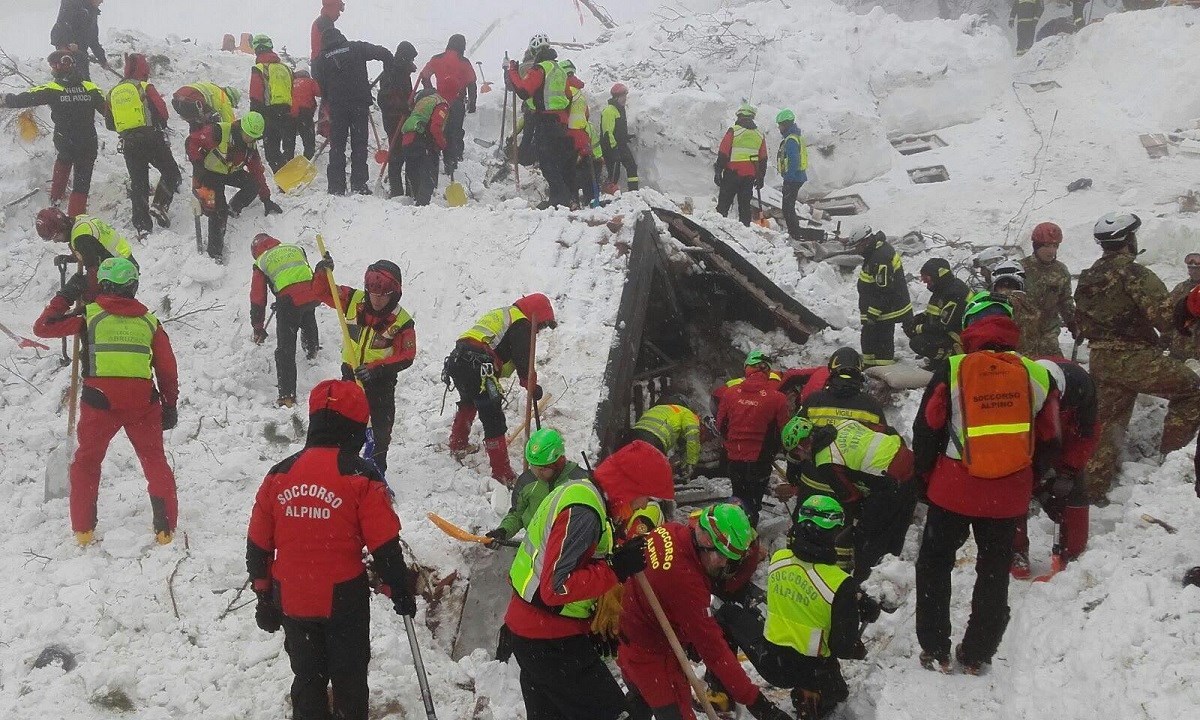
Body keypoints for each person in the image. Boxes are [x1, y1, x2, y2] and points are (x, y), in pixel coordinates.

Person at [246, 379, 417, 720]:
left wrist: (264, 596)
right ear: (355, 426)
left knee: (308, 678)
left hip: (291, 596)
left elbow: (257, 543)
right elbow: (384, 545)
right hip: (343, 599)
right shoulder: (361, 476)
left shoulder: (279, 474)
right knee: (349, 678)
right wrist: (398, 586)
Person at [912, 299, 1060, 673]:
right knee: (994, 570)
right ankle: (977, 653)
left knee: (934, 564)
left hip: (952, 488)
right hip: (1007, 496)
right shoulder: (1038, 374)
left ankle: (935, 648)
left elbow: (927, 427)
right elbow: (1051, 437)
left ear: (968, 330)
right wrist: (1030, 479)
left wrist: (924, 477)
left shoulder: (954, 368)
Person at [505, 437, 671, 720]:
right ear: (629, 485)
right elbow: (556, 587)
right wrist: (615, 569)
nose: (644, 504)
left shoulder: (580, 494)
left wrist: (591, 620)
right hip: (549, 642)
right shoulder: (583, 512)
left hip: (536, 634)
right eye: (645, 495)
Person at [33, 257, 179, 546]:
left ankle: (84, 531)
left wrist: (66, 294)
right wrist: (170, 404)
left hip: (99, 401)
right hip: (143, 403)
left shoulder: (89, 315)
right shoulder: (150, 321)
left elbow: (43, 327)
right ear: (134, 287)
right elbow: (167, 367)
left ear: (103, 285)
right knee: (154, 461)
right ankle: (165, 530)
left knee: (87, 463)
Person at [619, 503, 792, 720]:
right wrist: (756, 702)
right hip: (653, 658)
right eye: (722, 556)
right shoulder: (686, 583)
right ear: (705, 542)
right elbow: (714, 651)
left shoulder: (671, 531)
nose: (723, 564)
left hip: (633, 638)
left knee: (639, 701)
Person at [1075, 212, 1200, 505]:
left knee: (1106, 424)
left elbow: (1080, 320)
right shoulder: (1135, 274)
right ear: (1129, 240)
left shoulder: (1088, 278)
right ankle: (1171, 463)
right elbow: (1166, 318)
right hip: (1134, 357)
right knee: (1193, 390)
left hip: (1101, 360)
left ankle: (1091, 492)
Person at [715, 495, 878, 720]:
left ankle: (719, 695)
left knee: (728, 614)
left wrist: (854, 598)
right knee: (834, 691)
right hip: (815, 671)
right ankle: (813, 694)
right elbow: (842, 647)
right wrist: (855, 606)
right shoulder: (841, 585)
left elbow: (808, 582)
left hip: (772, 661)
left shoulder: (780, 560)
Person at [780, 414, 915, 582]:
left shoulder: (825, 460)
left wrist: (858, 518)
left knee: (867, 537)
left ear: (801, 446)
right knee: (897, 527)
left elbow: (851, 497)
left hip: (891, 482)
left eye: (796, 453)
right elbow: (887, 430)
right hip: (910, 466)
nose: (800, 459)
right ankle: (893, 571)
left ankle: (864, 583)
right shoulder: (843, 423)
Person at [311, 255, 415, 473]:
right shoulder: (352, 300)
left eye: (383, 295)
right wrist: (322, 272)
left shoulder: (402, 321)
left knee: (380, 430)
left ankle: (376, 472)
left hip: (380, 383)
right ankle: (345, 468)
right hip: (350, 375)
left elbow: (407, 355)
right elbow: (322, 292)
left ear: (394, 294)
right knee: (345, 423)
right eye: (373, 294)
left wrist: (376, 369)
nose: (376, 300)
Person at [445, 293, 556, 483]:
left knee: (468, 403)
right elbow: (524, 363)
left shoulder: (505, 314)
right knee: (493, 418)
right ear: (536, 315)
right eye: (541, 326)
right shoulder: (521, 325)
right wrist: (532, 386)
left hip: (459, 359)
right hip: (479, 366)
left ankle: (458, 443)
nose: (538, 332)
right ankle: (502, 473)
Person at [1011, 358, 1098, 577]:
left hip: (1068, 435)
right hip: (1027, 440)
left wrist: (1068, 471)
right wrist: (1039, 485)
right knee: (1015, 488)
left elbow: (1088, 433)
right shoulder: (1018, 388)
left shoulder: (1081, 385)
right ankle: (1015, 549)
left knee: (1075, 490)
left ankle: (1072, 554)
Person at [0, 51, 104, 216]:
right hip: (88, 142)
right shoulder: (91, 89)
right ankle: (75, 220)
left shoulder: (53, 89)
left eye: (52, 66)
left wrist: (4, 99)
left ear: (57, 67)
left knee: (63, 161)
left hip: (66, 141)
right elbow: (109, 111)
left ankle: (55, 201)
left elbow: (24, 99)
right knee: (81, 185)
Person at [185, 111, 283, 261]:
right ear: (241, 127)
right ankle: (214, 253)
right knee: (217, 212)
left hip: (229, 172)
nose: (250, 139)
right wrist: (198, 164)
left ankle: (234, 208)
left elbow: (257, 172)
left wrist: (266, 199)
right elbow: (192, 141)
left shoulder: (250, 148)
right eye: (248, 135)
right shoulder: (219, 132)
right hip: (209, 173)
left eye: (254, 137)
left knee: (253, 183)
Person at [104, 53, 180, 236]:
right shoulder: (145, 86)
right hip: (151, 139)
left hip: (129, 144)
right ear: (144, 69)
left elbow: (109, 124)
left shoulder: (112, 93)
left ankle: (142, 227)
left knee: (139, 184)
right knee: (171, 173)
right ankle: (160, 205)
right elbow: (163, 113)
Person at [313, 27, 393, 195]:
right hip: (359, 105)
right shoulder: (356, 48)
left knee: (337, 146)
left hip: (337, 108)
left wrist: (329, 96)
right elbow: (385, 53)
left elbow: (319, 84)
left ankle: (336, 187)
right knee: (359, 145)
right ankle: (359, 185)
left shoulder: (321, 59)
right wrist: (389, 72)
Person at [716, 352, 791, 525]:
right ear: (766, 371)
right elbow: (784, 431)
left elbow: (721, 425)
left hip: (735, 457)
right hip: (761, 460)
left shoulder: (730, 393)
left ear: (748, 369)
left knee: (738, 499)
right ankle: (749, 533)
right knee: (754, 502)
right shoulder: (778, 398)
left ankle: (733, 533)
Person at [250, 234, 321, 408]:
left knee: (285, 350)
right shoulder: (295, 248)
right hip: (313, 292)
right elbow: (298, 276)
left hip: (289, 302)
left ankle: (287, 396)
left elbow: (258, 297)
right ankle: (311, 350)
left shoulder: (262, 261)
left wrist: (258, 327)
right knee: (307, 316)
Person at [486, 428, 587, 545]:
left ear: (559, 462)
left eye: (543, 469)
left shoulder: (580, 482)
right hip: (535, 547)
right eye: (534, 468)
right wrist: (503, 531)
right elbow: (517, 514)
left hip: (569, 547)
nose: (538, 474)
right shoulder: (527, 482)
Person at [506, 35, 574, 208]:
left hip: (546, 121)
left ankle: (561, 199)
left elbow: (523, 91)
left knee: (546, 162)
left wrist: (512, 70)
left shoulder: (540, 69)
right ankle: (560, 200)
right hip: (561, 123)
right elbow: (568, 96)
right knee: (556, 162)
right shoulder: (558, 69)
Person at [36, 208, 137, 302]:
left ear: (63, 227)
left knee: (104, 305)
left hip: (122, 274)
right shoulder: (80, 221)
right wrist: (70, 258)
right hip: (123, 263)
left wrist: (89, 301)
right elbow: (93, 250)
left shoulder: (81, 238)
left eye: (55, 236)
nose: (55, 241)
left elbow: (93, 271)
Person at [850, 227, 912, 367]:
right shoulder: (874, 252)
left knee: (881, 341)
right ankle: (871, 366)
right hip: (880, 306)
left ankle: (884, 369)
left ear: (865, 241)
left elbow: (884, 290)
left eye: (857, 246)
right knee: (869, 339)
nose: (856, 250)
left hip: (886, 309)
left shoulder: (880, 258)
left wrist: (872, 313)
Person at [417, 34, 477, 174]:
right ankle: (453, 160)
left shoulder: (437, 59)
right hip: (456, 102)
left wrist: (430, 92)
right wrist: (472, 104)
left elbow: (424, 76)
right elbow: (472, 84)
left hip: (438, 101)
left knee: (438, 128)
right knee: (455, 131)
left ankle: (436, 154)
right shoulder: (464, 62)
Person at [1019, 222, 1077, 356]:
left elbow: (1065, 301)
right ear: (1036, 246)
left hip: (1048, 339)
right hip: (1022, 339)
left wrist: (1073, 323)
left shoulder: (1060, 271)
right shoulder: (1020, 269)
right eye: (1046, 246)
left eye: (1055, 246)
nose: (1051, 251)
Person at [799, 347, 892, 431]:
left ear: (830, 369)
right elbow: (884, 440)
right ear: (859, 371)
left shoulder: (814, 401)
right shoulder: (872, 405)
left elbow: (794, 436)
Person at [904, 258, 970, 366]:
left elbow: (945, 326)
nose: (924, 281)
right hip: (947, 332)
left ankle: (949, 359)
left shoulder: (956, 292)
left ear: (939, 275)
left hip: (959, 337)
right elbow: (934, 311)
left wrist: (918, 328)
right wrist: (918, 319)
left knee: (919, 343)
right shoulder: (942, 288)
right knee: (915, 332)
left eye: (926, 277)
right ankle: (937, 359)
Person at [715, 103, 767, 227]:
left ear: (739, 116)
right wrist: (760, 177)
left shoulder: (734, 130)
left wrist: (718, 170)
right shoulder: (760, 135)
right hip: (749, 176)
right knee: (744, 207)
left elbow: (723, 152)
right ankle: (745, 230)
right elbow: (763, 158)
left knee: (723, 205)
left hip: (732, 173)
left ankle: (717, 228)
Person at [248, 34, 294, 173]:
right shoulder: (286, 69)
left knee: (272, 152)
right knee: (287, 150)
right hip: (287, 113)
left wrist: (254, 117)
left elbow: (255, 95)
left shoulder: (259, 68)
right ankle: (293, 176)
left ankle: (286, 181)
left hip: (269, 114)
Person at [378, 42, 418, 197]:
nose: (411, 62)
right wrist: (402, 106)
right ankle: (396, 192)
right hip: (393, 119)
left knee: (409, 154)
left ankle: (410, 192)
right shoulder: (391, 73)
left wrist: (411, 105)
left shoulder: (404, 72)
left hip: (405, 118)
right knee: (396, 155)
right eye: (410, 58)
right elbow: (384, 98)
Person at [400, 89, 449, 206]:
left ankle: (415, 201)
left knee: (414, 172)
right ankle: (422, 206)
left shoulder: (423, 102)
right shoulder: (441, 103)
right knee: (428, 175)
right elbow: (435, 127)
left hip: (407, 139)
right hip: (421, 138)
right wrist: (443, 144)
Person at [630, 403, 702, 476]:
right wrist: (691, 463)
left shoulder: (667, 409)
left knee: (630, 469)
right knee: (651, 476)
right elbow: (693, 437)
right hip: (654, 438)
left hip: (633, 435)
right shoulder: (689, 414)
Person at [51, 0, 106, 81]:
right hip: (66, 45)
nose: (102, 1)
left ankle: (85, 89)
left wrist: (102, 59)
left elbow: (93, 39)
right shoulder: (72, 3)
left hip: (80, 48)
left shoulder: (92, 12)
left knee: (84, 73)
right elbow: (63, 24)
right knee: (68, 71)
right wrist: (70, 42)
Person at [775, 109, 808, 240]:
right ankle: (794, 232)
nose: (779, 128)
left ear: (786, 125)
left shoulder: (791, 140)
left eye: (780, 125)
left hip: (794, 178)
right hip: (796, 177)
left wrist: (789, 178)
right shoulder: (794, 137)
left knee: (787, 208)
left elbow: (794, 160)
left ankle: (794, 234)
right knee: (788, 206)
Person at [601, 83, 639, 192]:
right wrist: (614, 149)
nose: (625, 99)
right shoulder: (609, 111)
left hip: (621, 146)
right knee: (614, 174)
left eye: (625, 97)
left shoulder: (620, 109)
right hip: (612, 148)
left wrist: (625, 136)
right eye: (623, 97)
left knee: (632, 167)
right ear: (616, 97)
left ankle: (634, 192)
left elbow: (618, 129)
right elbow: (607, 132)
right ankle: (608, 195)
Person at [1164, 253, 1200, 361]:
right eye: (1190, 268)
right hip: (1179, 349)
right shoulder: (1181, 288)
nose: (1192, 271)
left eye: (1197, 269)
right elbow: (1167, 311)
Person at [171, 82, 238, 129]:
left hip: (177, 99)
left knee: (195, 124)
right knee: (210, 124)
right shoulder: (224, 98)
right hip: (191, 100)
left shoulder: (214, 88)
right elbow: (230, 122)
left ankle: (195, 142)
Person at [287, 69, 321, 161]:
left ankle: (288, 164)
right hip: (304, 114)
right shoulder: (310, 82)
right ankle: (306, 164)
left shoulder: (290, 82)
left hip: (290, 115)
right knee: (309, 143)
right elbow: (319, 92)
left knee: (289, 144)